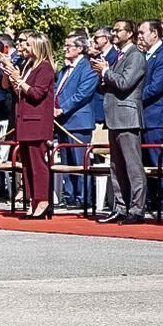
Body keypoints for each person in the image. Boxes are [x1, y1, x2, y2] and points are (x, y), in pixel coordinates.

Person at [95, 19, 148, 224]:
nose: (114, 34)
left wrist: (105, 72)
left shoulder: (135, 56)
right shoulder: (120, 56)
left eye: (118, 30)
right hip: (115, 116)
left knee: (133, 166)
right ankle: (121, 207)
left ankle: (137, 209)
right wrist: (104, 75)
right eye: (113, 30)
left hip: (128, 117)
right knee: (116, 166)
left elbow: (125, 83)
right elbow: (113, 83)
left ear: (130, 33)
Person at [1, 32, 55, 219]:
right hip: (23, 120)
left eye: (29, 45)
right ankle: (32, 199)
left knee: (38, 163)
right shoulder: (28, 66)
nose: (25, 48)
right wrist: (11, 74)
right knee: (27, 165)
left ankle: (43, 199)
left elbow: (35, 94)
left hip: (37, 122)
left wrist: (19, 79)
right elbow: (19, 92)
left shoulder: (45, 68)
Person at [54, 35, 100, 209]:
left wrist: (62, 108)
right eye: (64, 45)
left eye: (69, 45)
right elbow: (57, 89)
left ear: (80, 48)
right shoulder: (64, 69)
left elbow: (83, 93)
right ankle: (71, 195)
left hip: (79, 121)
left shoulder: (88, 67)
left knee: (80, 161)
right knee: (67, 162)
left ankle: (84, 197)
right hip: (62, 122)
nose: (65, 48)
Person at [137, 19, 163, 214]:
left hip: (155, 117)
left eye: (143, 32)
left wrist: (134, 98)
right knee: (145, 163)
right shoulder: (144, 55)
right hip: (142, 117)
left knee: (158, 161)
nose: (140, 36)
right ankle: (153, 199)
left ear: (155, 33)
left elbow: (156, 86)